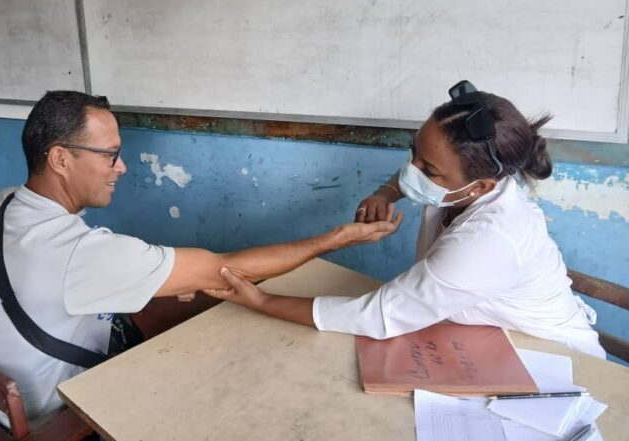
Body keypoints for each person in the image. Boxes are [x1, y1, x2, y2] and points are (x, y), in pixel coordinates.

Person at [0, 90, 402, 427]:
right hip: (54, 414)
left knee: (187, 293)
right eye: (109, 154)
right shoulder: (80, 255)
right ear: (59, 159)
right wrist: (336, 238)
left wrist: (182, 276)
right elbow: (230, 267)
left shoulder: (3, 203)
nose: (122, 167)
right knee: (218, 355)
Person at [209, 80, 606, 359]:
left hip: (551, 360)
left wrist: (261, 300)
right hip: (483, 340)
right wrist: (385, 193)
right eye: (411, 151)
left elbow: (377, 316)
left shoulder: (489, 242)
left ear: (482, 186)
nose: (411, 171)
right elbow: (414, 173)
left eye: (427, 170)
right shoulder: (460, 185)